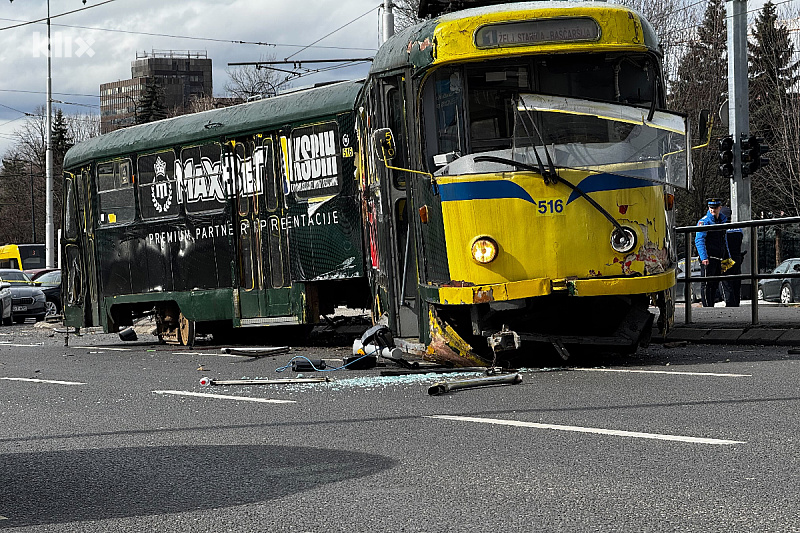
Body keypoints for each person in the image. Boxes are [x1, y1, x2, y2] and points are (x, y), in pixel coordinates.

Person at [694, 198, 730, 307]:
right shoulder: (704, 221)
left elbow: (724, 240)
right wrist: (704, 257)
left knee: (714, 284)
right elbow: (699, 240)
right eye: (711, 208)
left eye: (715, 208)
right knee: (706, 284)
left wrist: (727, 256)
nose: (713, 210)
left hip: (719, 257)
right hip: (709, 258)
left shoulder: (722, 220)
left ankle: (711, 306)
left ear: (720, 208)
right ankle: (707, 307)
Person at [720, 205, 744, 307]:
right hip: (737, 257)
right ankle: (736, 302)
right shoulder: (738, 229)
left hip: (726, 259)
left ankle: (730, 303)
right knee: (736, 282)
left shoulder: (722, 229)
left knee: (726, 281)